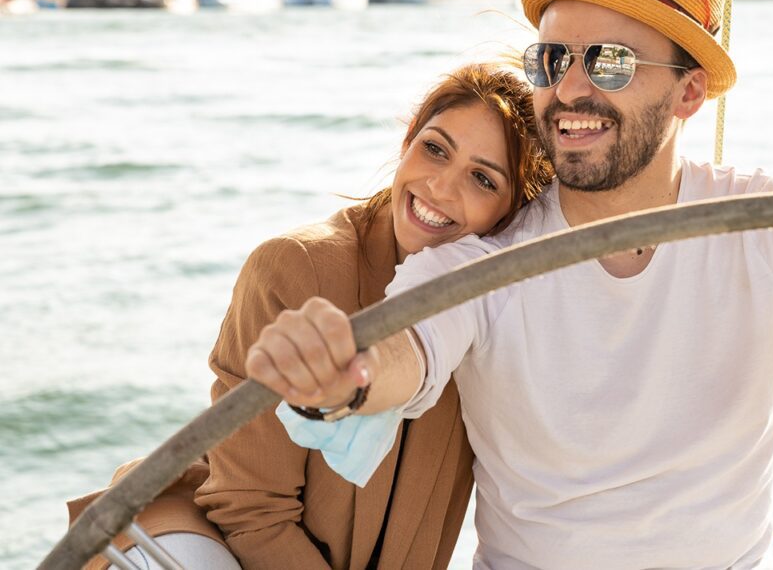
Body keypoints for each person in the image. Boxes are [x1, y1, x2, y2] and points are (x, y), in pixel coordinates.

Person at [244, 0, 773, 569]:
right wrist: (341, 371)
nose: (568, 90)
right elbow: (407, 347)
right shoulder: (490, 257)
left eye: (609, 63)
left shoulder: (766, 224)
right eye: (550, 60)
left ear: (690, 94)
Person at [67, 64, 553, 570]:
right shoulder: (295, 267)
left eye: (481, 178)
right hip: (205, 546)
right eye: (434, 148)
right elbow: (249, 509)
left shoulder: (494, 305)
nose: (440, 187)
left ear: (513, 212)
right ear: (408, 139)